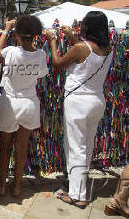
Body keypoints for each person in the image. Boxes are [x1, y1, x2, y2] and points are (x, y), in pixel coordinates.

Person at [45, 11, 113, 209]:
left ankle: (77, 195)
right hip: (97, 101)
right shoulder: (108, 48)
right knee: (86, 146)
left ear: (87, 27)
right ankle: (78, 186)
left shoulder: (81, 48)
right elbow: (85, 55)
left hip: (78, 102)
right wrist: (72, 38)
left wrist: (53, 42)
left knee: (75, 147)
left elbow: (58, 63)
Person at [0, 16, 48, 197]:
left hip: (10, 102)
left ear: (16, 34)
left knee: (6, 147)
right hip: (29, 102)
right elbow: (41, 75)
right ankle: (16, 187)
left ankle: (2, 186)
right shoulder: (41, 54)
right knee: (22, 148)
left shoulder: (11, 51)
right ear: (34, 35)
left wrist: (5, 29)